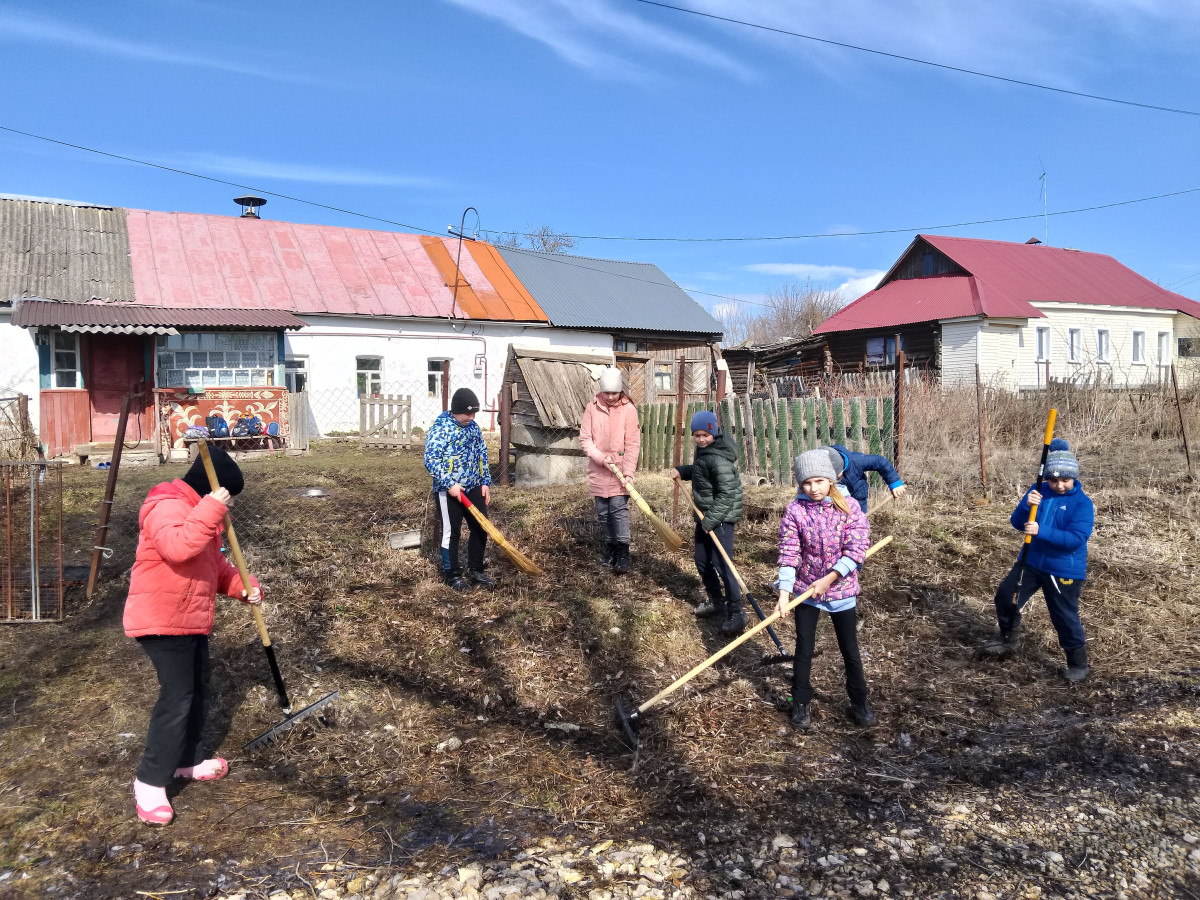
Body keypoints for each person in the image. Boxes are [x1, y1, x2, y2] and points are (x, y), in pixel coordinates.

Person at [123, 444, 262, 826]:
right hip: (161, 618)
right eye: (228, 497)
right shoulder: (166, 505)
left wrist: (241, 584)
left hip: (189, 617)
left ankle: (187, 759)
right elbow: (178, 548)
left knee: (197, 688)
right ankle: (150, 783)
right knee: (177, 697)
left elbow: (212, 564)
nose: (229, 505)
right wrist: (212, 508)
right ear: (210, 489)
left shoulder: (200, 514)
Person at [775, 448, 874, 730]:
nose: (813, 488)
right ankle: (801, 703)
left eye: (819, 481)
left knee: (849, 650)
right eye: (807, 483)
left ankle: (859, 702)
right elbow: (789, 551)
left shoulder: (849, 507)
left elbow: (856, 549)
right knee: (803, 649)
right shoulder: (795, 510)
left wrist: (830, 578)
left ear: (830, 479)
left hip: (841, 590)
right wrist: (784, 593)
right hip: (807, 590)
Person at [982, 439, 1094, 682]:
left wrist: (1040, 531)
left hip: (1063, 568)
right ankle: (1008, 639)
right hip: (1030, 561)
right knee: (1006, 596)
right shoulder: (1038, 491)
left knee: (1063, 615)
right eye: (1054, 480)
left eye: (1065, 480)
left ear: (1074, 477)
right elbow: (1016, 522)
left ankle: (1078, 664)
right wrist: (1026, 506)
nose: (1059, 485)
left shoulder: (1082, 504)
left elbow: (1076, 538)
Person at [670, 410, 745, 633]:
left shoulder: (720, 457)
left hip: (720, 517)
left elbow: (726, 495)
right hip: (707, 517)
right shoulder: (705, 452)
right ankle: (716, 601)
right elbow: (702, 472)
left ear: (714, 432)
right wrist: (682, 471)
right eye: (697, 435)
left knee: (723, 564)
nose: (701, 439)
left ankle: (736, 612)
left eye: (706, 435)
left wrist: (710, 520)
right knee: (702, 561)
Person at [424, 388, 493, 592]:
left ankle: (476, 569)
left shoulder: (473, 427)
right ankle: (452, 574)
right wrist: (450, 484)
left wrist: (485, 482)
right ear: (456, 410)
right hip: (449, 490)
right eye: (467, 414)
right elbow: (430, 460)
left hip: (473, 486)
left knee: (481, 527)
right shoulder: (441, 428)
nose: (471, 418)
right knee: (451, 532)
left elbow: (482, 454)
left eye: (474, 414)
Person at [579, 368, 641, 574]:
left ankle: (623, 551)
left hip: (620, 471)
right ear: (601, 391)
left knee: (618, 510)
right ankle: (610, 548)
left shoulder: (628, 410)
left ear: (620, 391)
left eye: (614, 393)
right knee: (603, 512)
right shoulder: (591, 408)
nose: (611, 397)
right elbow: (585, 439)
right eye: (607, 393)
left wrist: (629, 473)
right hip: (599, 469)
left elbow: (633, 443)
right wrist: (599, 457)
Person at [824, 444, 907, 513]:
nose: (835, 478)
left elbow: (880, 462)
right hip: (834, 501)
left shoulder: (856, 461)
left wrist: (895, 482)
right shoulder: (820, 464)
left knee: (860, 525)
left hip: (858, 497)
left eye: (837, 474)